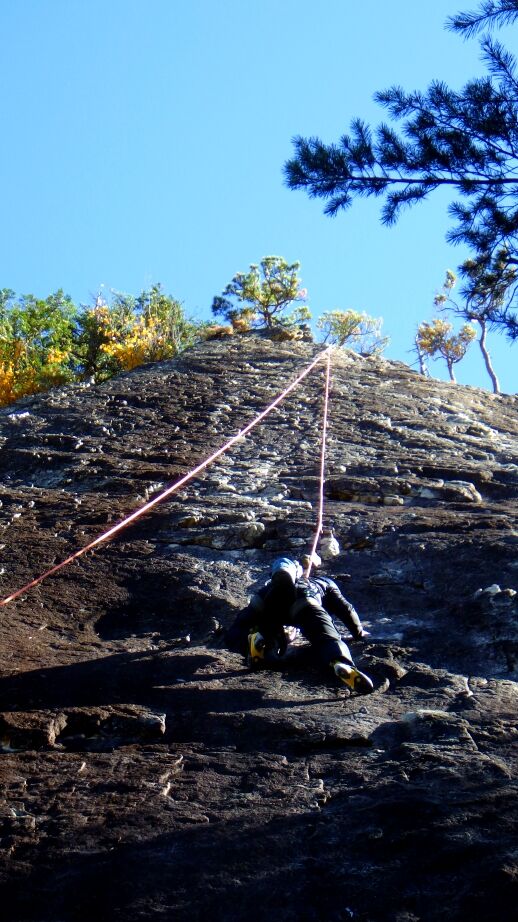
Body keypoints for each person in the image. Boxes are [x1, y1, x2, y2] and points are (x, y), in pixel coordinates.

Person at [226, 555, 374, 693]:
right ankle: (340, 663)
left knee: (250, 630)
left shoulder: (269, 586)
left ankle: (258, 644)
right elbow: (346, 609)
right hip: (304, 603)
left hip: (266, 600)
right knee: (327, 639)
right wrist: (358, 632)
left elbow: (238, 625)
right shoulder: (323, 582)